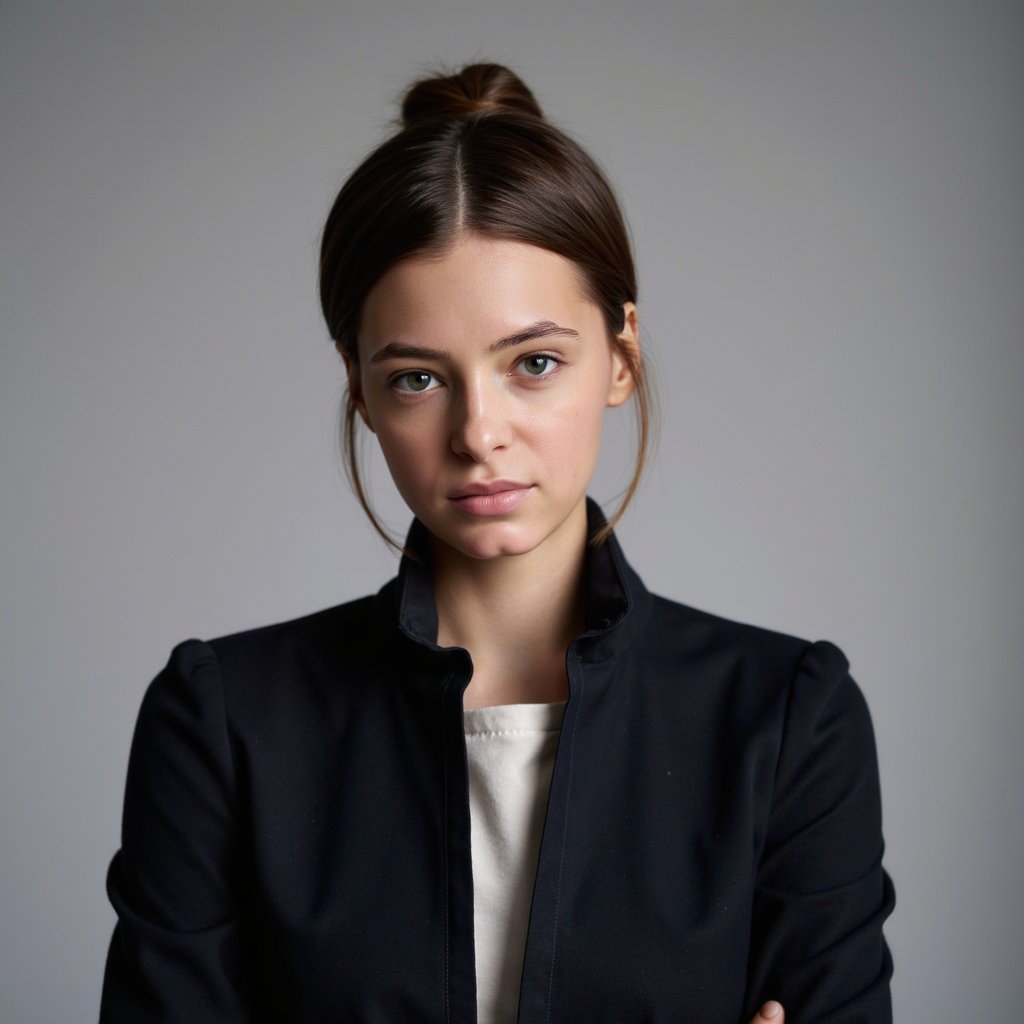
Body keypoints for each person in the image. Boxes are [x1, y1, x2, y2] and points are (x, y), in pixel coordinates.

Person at [100, 63, 893, 1022]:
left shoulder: (786, 722)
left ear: (622, 357)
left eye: (535, 363)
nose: (480, 433)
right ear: (360, 387)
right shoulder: (222, 727)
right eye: (418, 380)